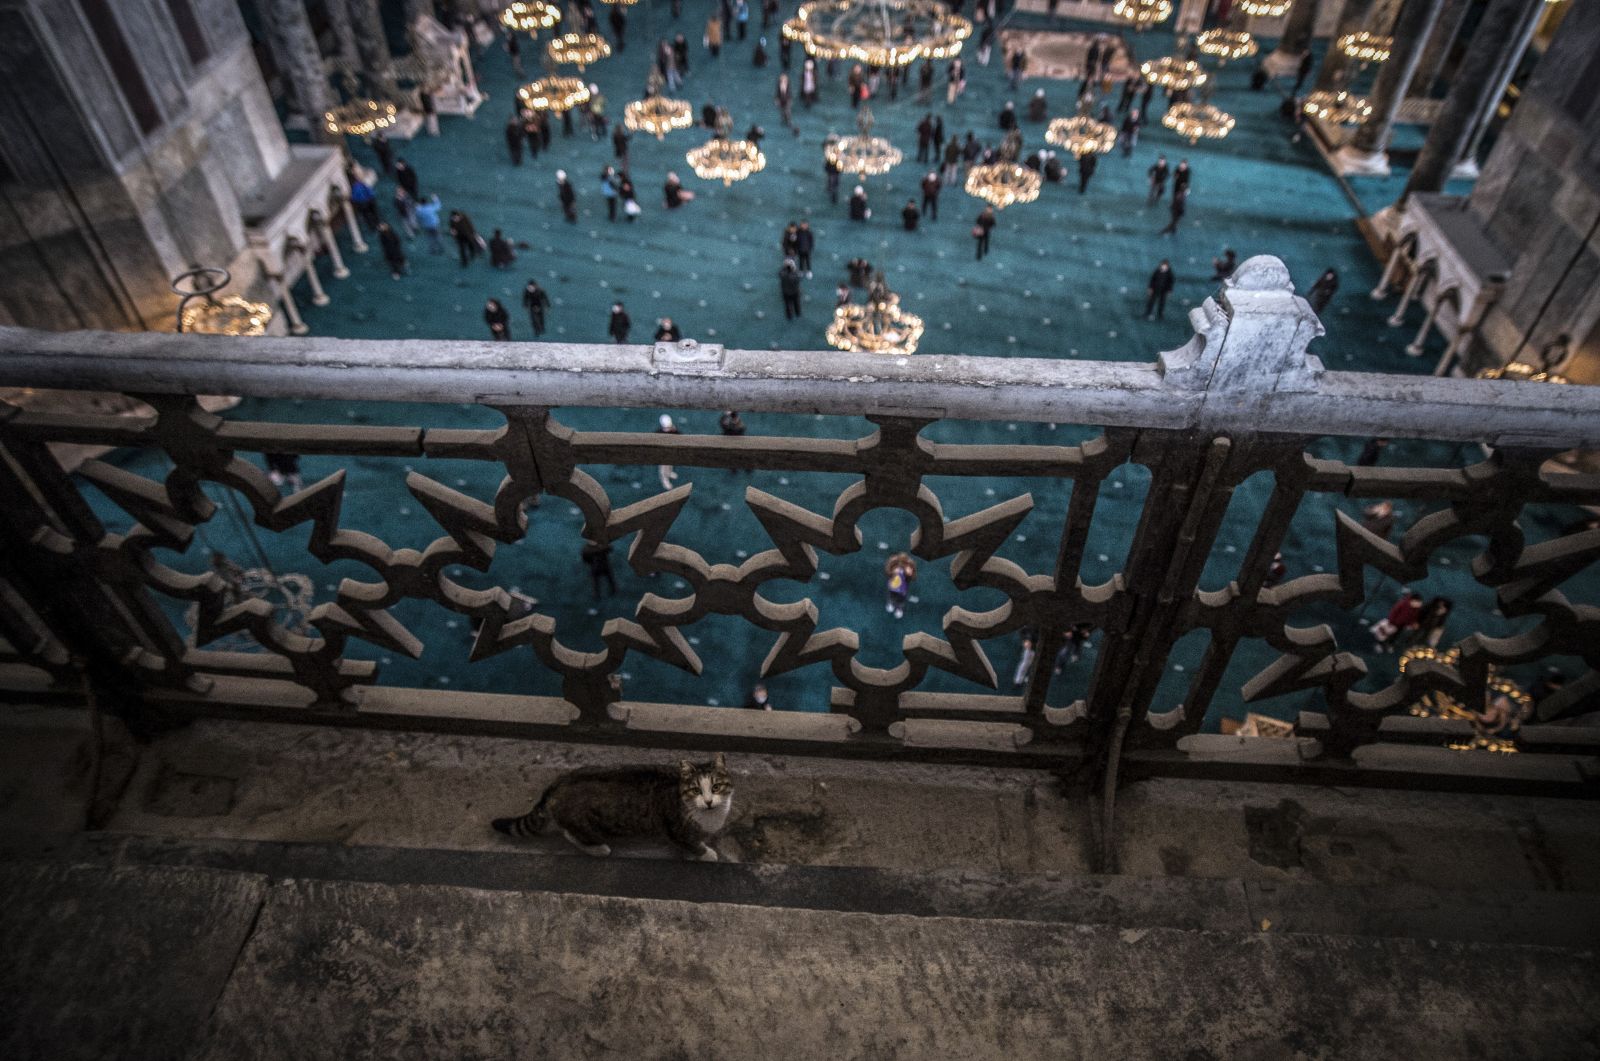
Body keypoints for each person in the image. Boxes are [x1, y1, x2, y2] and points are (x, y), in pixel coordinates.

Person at [884, 552, 916, 619]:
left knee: (901, 601)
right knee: (891, 597)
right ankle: (891, 604)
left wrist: (909, 572)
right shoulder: (894, 567)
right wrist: (893, 570)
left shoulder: (907, 568)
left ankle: (899, 609)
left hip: (902, 590)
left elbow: (912, 576)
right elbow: (888, 570)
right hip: (893, 587)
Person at [655, 412, 680, 490]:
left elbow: (680, 437)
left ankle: (669, 473)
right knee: (663, 468)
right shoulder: (659, 433)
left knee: (670, 465)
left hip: (670, 452)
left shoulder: (673, 431)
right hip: (663, 454)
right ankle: (665, 480)